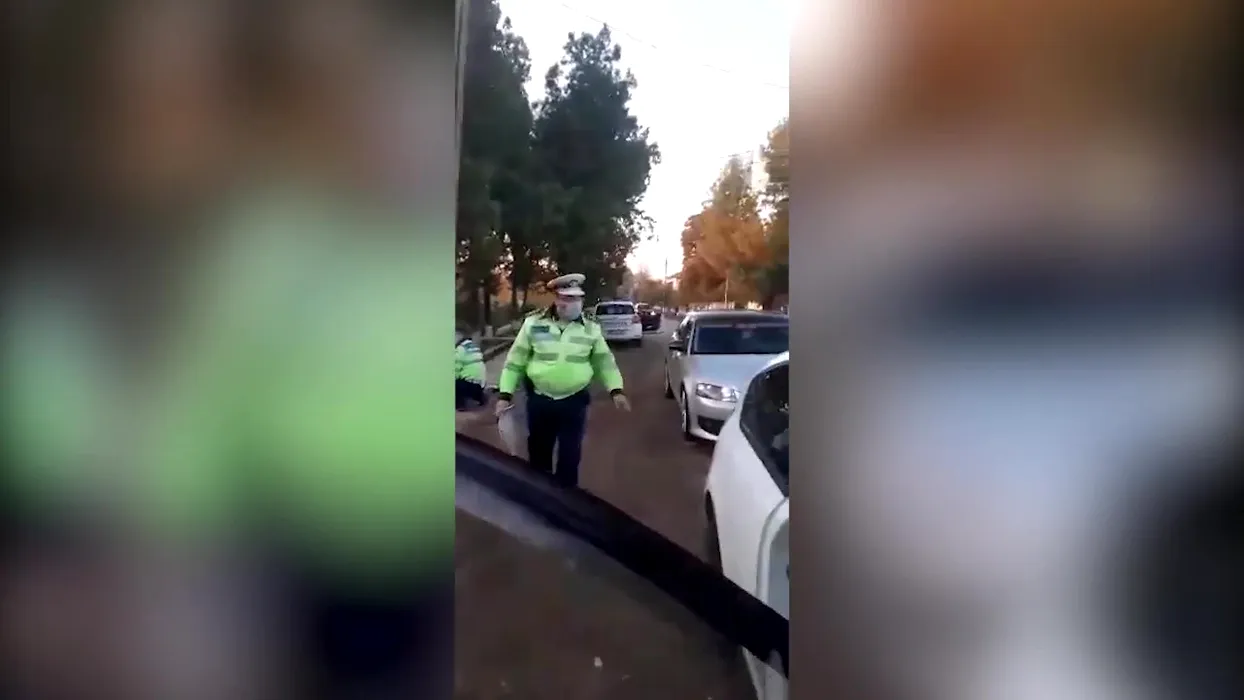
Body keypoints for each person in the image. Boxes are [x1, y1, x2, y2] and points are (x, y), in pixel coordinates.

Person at [494, 273, 630, 487]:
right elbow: (514, 362)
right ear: (557, 299)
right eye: (567, 298)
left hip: (574, 402)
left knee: (570, 457)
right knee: (539, 457)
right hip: (540, 401)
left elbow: (604, 362)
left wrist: (616, 390)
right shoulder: (533, 324)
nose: (574, 304)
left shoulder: (590, 329)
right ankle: (540, 497)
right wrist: (505, 395)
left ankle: (566, 499)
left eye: (577, 298)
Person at [455, 328, 488, 411]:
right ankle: (480, 397)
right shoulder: (474, 347)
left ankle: (460, 405)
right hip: (481, 383)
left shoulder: (460, 349)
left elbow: (455, 369)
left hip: (468, 384)